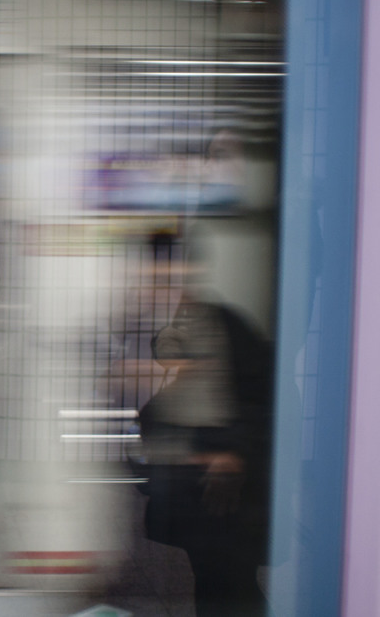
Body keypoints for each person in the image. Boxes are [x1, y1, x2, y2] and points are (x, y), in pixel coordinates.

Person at [137, 233, 274, 617]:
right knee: (216, 579)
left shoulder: (225, 326)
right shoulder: (159, 330)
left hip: (226, 479)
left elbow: (261, 397)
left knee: (228, 583)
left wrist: (234, 455)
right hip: (194, 474)